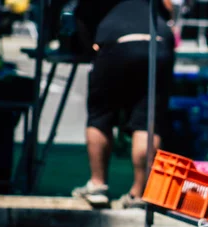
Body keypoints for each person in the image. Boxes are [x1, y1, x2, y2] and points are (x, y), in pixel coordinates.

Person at [71, 0, 175, 208]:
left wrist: (89, 49)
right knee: (147, 120)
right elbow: (169, 11)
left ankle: (98, 186)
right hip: (160, 41)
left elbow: (79, 18)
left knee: (100, 115)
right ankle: (140, 193)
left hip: (117, 42)